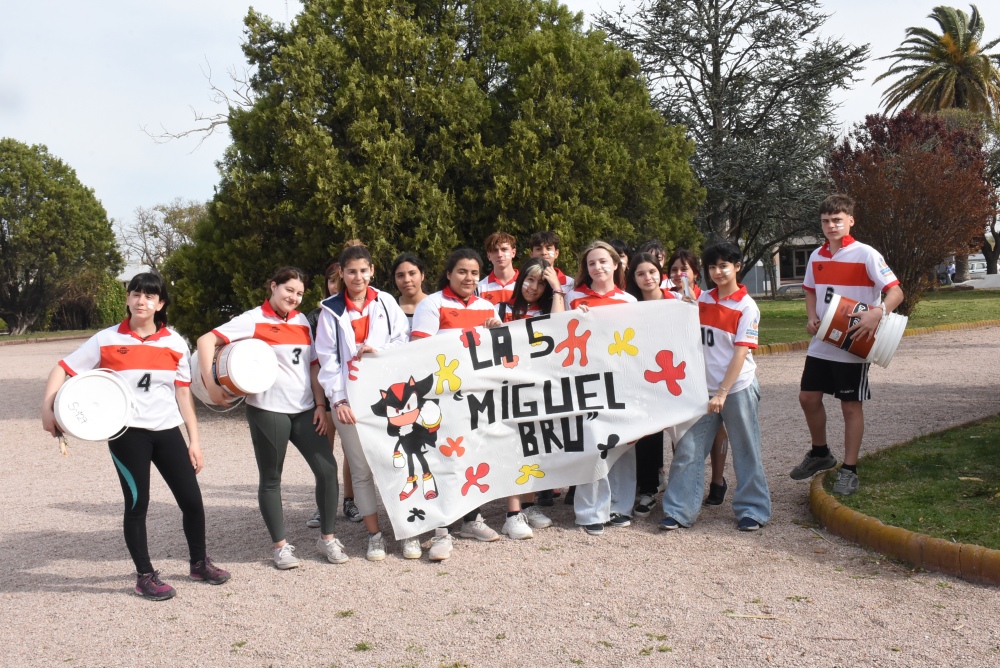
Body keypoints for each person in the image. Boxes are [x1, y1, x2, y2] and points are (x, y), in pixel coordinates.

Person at [41, 273, 230, 600]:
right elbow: (63, 368)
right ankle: (144, 576)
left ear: (160, 304)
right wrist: (48, 408)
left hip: (167, 431)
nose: (142, 300)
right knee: (137, 504)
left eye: (150, 296)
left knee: (192, 502)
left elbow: (183, 395)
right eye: (136, 294)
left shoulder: (174, 342)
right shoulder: (105, 339)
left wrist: (194, 441)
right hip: (127, 435)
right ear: (128, 298)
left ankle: (199, 563)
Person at [197, 267, 346, 570]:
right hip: (268, 410)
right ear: (274, 286)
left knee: (327, 471)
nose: (294, 297)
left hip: (305, 410)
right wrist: (211, 386)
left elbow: (314, 366)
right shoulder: (253, 319)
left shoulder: (303, 320)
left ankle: (327, 538)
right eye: (288, 290)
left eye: (300, 293)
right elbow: (205, 340)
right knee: (271, 480)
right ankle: (280, 547)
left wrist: (320, 404)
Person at [790, 194, 903, 495]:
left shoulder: (866, 254)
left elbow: (896, 292)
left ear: (850, 220)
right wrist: (811, 316)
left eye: (837, 220)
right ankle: (820, 454)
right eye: (826, 221)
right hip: (823, 340)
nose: (831, 225)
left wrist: (877, 313)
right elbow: (811, 291)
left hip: (854, 342)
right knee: (807, 397)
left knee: (850, 406)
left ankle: (850, 470)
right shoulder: (816, 256)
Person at [660, 242, 771, 532]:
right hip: (702, 390)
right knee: (688, 448)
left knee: (746, 449)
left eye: (724, 265)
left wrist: (722, 391)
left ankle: (753, 510)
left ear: (737, 266)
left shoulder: (747, 306)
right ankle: (679, 510)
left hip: (736, 388)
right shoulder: (701, 299)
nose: (718, 271)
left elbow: (740, 353)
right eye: (712, 266)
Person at [316, 245, 410, 560]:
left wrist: (377, 349)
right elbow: (327, 360)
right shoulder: (330, 309)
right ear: (341, 273)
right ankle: (375, 536)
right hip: (348, 404)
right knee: (361, 470)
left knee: (397, 462)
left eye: (363, 270)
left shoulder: (385, 302)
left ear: (372, 271)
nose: (358, 277)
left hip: (388, 399)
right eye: (351, 271)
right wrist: (337, 400)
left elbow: (402, 339)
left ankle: (408, 531)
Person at [410, 249, 504, 560]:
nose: (469, 278)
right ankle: (441, 530)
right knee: (444, 460)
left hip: (476, 397)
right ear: (449, 273)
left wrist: (495, 332)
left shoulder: (487, 307)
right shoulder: (432, 304)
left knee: (472, 457)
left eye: (475, 273)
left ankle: (471, 519)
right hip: (442, 397)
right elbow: (420, 350)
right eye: (462, 271)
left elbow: (500, 355)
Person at [565, 241, 637, 535]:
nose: (598, 267)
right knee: (592, 444)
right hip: (586, 380)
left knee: (622, 444)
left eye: (603, 262)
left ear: (616, 264)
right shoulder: (574, 298)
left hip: (620, 379)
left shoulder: (629, 301)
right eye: (592, 263)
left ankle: (620, 506)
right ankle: (590, 510)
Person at [495, 257, 564, 537]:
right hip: (506, 387)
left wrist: (558, 288)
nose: (533, 287)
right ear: (520, 277)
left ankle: (529, 505)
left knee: (534, 446)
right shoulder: (501, 308)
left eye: (541, 282)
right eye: (529, 279)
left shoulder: (549, 309)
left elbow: (559, 328)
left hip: (538, 388)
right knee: (513, 446)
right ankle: (512, 514)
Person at [668, 249, 729, 506]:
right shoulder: (665, 300)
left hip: (706, 375)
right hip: (676, 374)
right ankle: (683, 483)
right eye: (673, 270)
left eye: (684, 269)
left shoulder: (707, 299)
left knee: (715, 429)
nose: (678, 274)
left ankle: (717, 480)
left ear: (695, 272)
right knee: (678, 432)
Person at [306, 259, 360, 529]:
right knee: (324, 455)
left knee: (352, 453)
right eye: (331, 280)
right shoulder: (316, 317)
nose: (335, 284)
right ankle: (322, 504)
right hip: (327, 398)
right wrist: (319, 401)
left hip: (352, 394)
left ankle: (350, 501)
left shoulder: (361, 310)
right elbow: (316, 362)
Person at [624, 252, 677, 519]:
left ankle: (680, 491)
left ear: (661, 273)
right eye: (641, 273)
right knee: (647, 435)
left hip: (677, 377)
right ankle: (648, 489)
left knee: (682, 437)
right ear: (633, 277)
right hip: (644, 380)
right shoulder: (629, 306)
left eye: (652, 272)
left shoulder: (678, 302)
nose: (648, 277)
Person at [478, 232, 519, 306]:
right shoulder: (479, 288)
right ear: (489, 256)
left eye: (504, 249)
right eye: (495, 250)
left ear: (513, 253)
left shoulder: (526, 285)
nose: (499, 255)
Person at [392, 253, 429, 332]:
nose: (407, 280)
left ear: (422, 275)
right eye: (400, 275)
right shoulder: (390, 308)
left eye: (412, 273)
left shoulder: (436, 305)